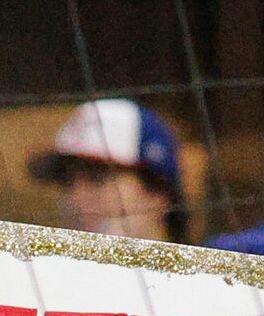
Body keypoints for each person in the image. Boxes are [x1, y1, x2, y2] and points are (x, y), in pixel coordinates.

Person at [29, 97, 190, 241]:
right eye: (66, 182)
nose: (76, 199)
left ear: (157, 192)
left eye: (97, 179)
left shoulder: (214, 267)